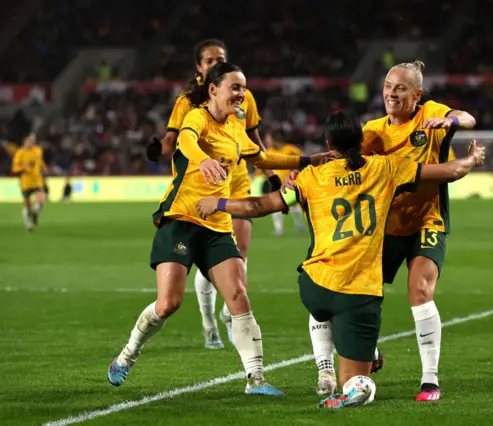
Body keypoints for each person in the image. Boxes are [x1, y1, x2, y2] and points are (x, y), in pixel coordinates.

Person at [195, 110, 485, 408]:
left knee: (322, 305)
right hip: (359, 295)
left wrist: (217, 203)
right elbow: (450, 171)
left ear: (327, 143)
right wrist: (473, 159)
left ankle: (327, 368)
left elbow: (259, 206)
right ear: (362, 141)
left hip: (314, 287)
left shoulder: (309, 177)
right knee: (358, 382)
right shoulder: (385, 168)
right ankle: (356, 377)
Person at [107, 62, 332, 394]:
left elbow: (264, 158)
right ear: (213, 89)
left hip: (217, 225)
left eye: (243, 88)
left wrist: (307, 160)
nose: (241, 94)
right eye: (235, 87)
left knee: (239, 296)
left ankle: (256, 379)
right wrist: (204, 160)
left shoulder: (236, 128)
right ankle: (128, 354)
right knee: (168, 303)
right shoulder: (197, 117)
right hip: (181, 220)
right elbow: (185, 141)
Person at [286, 61, 477, 401]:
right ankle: (356, 357)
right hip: (384, 228)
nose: (391, 92)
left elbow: (468, 118)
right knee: (350, 288)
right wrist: (304, 168)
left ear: (416, 95)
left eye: (400, 88)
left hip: (426, 221)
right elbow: (341, 156)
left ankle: (429, 381)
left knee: (420, 290)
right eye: (388, 86)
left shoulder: (430, 114)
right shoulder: (373, 131)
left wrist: (449, 121)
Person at [146, 39, 282, 350]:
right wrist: (158, 150)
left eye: (218, 59)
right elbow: (175, 139)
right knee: (207, 256)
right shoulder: (188, 103)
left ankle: (230, 310)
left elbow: (255, 142)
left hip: (236, 180)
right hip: (201, 183)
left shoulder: (242, 96)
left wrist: (272, 176)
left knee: (239, 254)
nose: (212, 64)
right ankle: (210, 325)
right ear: (199, 67)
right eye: (208, 60)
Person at [262, 131, 305, 236]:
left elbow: (304, 158)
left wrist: (297, 169)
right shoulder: (269, 151)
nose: (268, 141)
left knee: (294, 206)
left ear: (275, 139)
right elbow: (262, 164)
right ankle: (278, 229)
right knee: (275, 207)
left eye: (269, 138)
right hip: (276, 184)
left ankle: (299, 226)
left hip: (290, 183)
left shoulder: (290, 149)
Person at [11, 132, 46, 232]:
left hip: (37, 181)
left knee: (41, 200)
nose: (32, 142)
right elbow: (15, 168)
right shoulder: (20, 153)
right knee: (27, 205)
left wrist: (44, 167)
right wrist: (23, 168)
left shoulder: (38, 150)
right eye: (30, 140)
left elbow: (39, 161)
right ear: (25, 141)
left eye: (33, 140)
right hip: (26, 183)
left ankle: (35, 212)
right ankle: (28, 224)